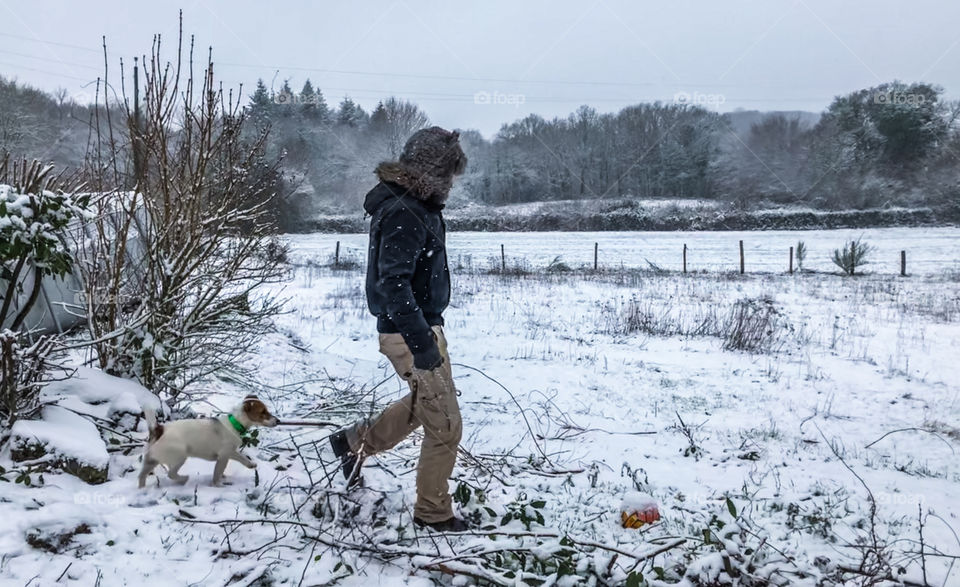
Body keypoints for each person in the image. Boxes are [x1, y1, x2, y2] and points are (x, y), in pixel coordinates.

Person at [329, 127, 468, 532]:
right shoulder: (406, 211)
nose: (452, 183)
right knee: (445, 423)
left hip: (421, 327)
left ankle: (354, 442)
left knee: (427, 405)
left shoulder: (416, 206)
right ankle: (432, 513)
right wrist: (422, 341)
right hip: (410, 332)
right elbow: (394, 285)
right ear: (434, 170)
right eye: (449, 173)